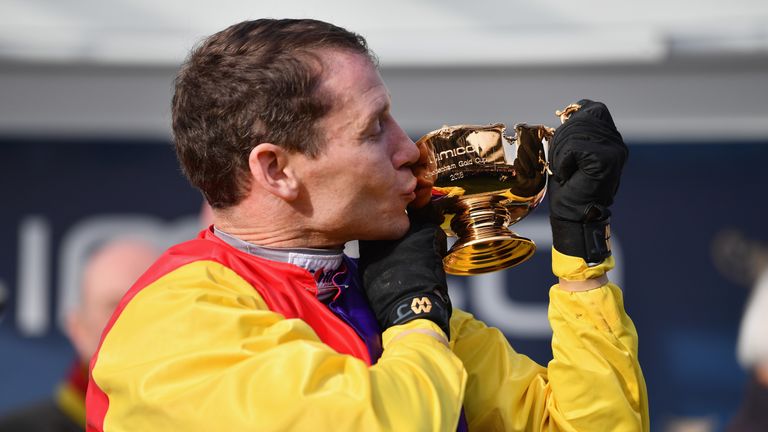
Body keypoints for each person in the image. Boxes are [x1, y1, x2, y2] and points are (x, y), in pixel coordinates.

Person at [85, 19, 649, 431]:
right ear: (276, 168)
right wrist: (417, 317)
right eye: (373, 129)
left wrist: (582, 256)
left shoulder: (375, 295)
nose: (408, 148)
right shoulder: (175, 320)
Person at [0, 238, 158, 431]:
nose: (131, 320)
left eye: (149, 304)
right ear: (78, 329)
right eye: (114, 306)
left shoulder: (199, 420)